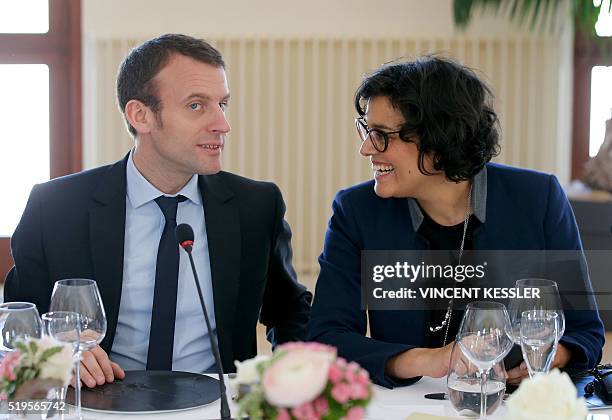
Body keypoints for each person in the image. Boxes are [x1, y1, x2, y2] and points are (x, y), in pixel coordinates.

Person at [5, 34, 312, 388]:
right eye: (197, 106)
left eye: (222, 104)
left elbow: (291, 312)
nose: (222, 124)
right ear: (141, 115)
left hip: (216, 403)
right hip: (96, 403)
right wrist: (56, 354)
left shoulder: (256, 206)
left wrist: (294, 380)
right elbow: (17, 326)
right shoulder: (56, 208)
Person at [308, 56, 604, 388]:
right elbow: (326, 338)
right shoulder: (357, 211)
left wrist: (551, 356)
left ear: (438, 138)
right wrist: (428, 360)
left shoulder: (538, 199)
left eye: (381, 135)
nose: (366, 149)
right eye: (366, 129)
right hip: (409, 406)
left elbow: (585, 333)